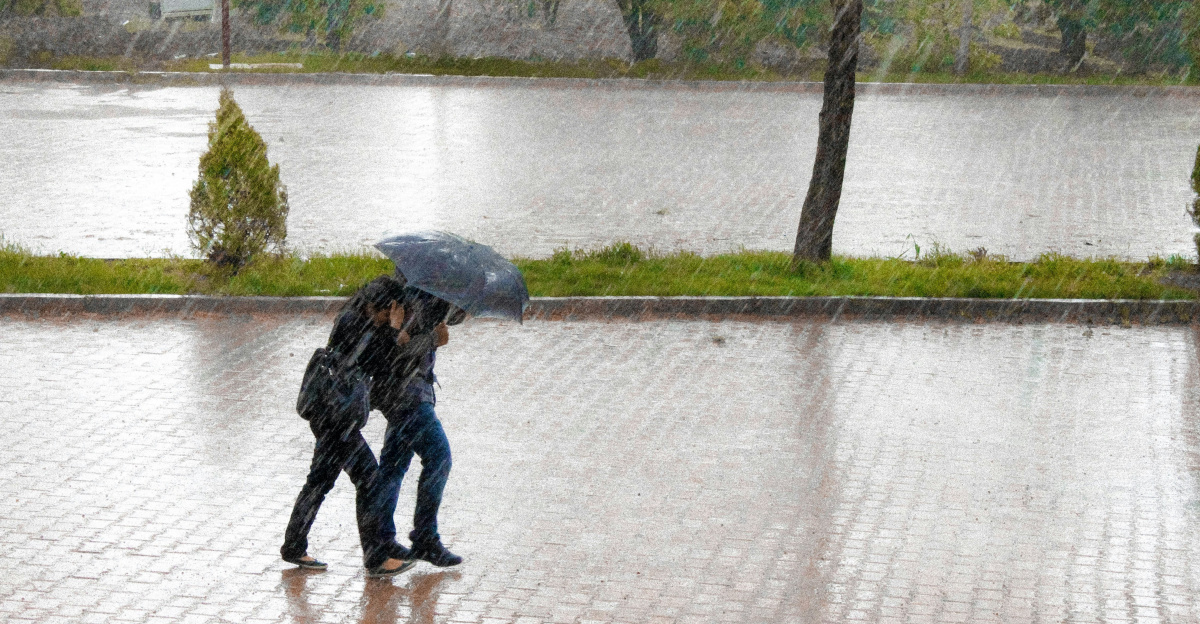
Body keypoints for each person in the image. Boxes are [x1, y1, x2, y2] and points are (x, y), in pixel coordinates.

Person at [281, 276, 416, 578]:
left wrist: (393, 334)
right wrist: (394, 333)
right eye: (390, 311)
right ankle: (376, 557)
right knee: (369, 480)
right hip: (336, 419)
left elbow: (374, 361)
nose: (390, 317)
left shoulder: (357, 318)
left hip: (329, 413)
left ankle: (294, 545)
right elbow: (379, 363)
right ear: (381, 306)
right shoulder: (356, 323)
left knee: (320, 480)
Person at [370, 284, 466, 567]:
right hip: (407, 397)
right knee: (439, 457)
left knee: (393, 466)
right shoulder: (410, 296)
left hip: (405, 394)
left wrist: (462, 299)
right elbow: (396, 352)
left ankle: (382, 539)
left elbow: (452, 317)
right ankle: (424, 537)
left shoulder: (429, 290)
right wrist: (433, 339)